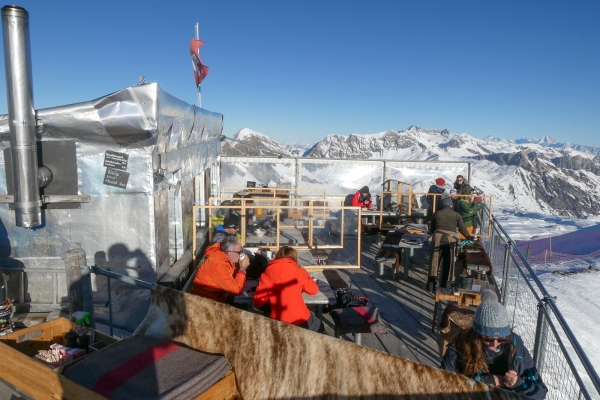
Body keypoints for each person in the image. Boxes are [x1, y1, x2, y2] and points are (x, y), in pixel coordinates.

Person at [442, 290, 548, 399]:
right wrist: (484, 381)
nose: (495, 344)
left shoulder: (516, 348)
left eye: (501, 339)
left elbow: (541, 392)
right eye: (488, 338)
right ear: (477, 333)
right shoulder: (458, 348)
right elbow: (445, 387)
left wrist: (518, 384)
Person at [253, 246, 324, 332]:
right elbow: (313, 290)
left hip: (278, 319)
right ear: (294, 258)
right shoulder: (299, 271)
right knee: (320, 327)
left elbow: (258, 302)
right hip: (300, 318)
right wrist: (304, 271)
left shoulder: (266, 273)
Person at [427, 193, 472, 291]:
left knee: (435, 262)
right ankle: (444, 286)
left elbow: (432, 229)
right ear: (451, 205)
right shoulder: (456, 215)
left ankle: (431, 285)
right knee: (448, 263)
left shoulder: (437, 213)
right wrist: (469, 237)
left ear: (443, 205)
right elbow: (462, 228)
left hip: (438, 238)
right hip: (451, 240)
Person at [191, 236, 249, 302]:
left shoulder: (224, 258)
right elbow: (234, 290)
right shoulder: (217, 264)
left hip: (215, 299)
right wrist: (243, 269)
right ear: (230, 253)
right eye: (239, 252)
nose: (241, 254)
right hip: (205, 303)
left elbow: (231, 276)